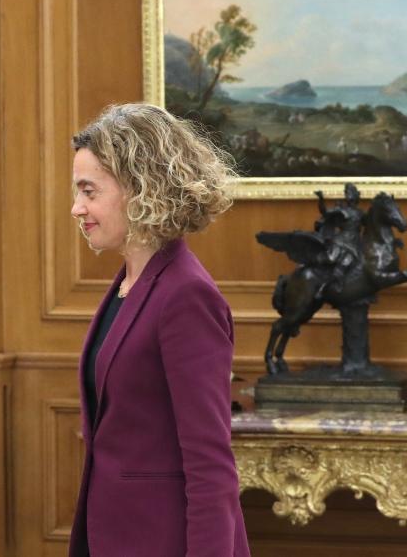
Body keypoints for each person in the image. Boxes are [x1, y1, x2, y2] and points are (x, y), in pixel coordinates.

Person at [68, 104, 249, 557]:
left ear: (138, 188)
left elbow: (211, 464)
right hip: (112, 535)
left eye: (89, 191)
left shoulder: (186, 296)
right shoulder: (129, 283)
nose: (77, 208)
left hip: (162, 540)